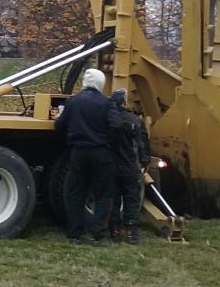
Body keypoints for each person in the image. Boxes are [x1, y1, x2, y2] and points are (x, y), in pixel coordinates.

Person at [54, 68, 122, 246]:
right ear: (101, 84)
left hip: (78, 152)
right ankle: (96, 233)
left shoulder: (73, 102)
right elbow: (117, 125)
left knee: (75, 192)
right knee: (103, 193)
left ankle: (74, 233)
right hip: (101, 152)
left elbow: (59, 125)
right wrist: (109, 141)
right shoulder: (106, 103)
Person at [108, 88, 151, 245]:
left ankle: (114, 231)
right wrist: (145, 162)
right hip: (130, 166)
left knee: (113, 200)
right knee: (131, 200)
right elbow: (142, 143)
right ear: (124, 101)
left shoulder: (108, 120)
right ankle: (131, 233)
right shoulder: (135, 120)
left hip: (112, 166)